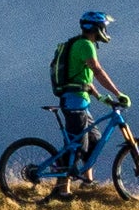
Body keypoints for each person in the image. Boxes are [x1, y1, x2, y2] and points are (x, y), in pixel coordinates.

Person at [49, 11, 126, 181]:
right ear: (96, 28)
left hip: (80, 102)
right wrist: (118, 93)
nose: (105, 30)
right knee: (77, 147)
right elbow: (97, 71)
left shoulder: (79, 44)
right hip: (74, 103)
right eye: (103, 27)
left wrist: (100, 96)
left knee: (94, 141)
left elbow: (83, 80)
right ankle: (62, 189)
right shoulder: (85, 45)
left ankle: (87, 182)